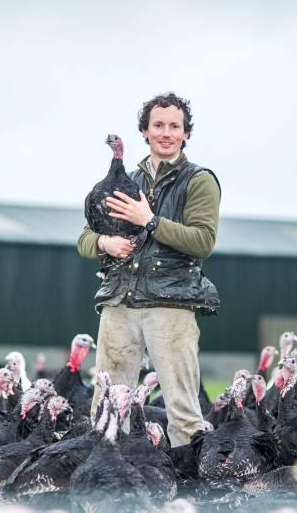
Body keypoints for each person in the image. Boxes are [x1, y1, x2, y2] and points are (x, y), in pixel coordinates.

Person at [77, 92, 221, 446]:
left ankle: (189, 490)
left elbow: (203, 241)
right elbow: (84, 236)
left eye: (175, 126)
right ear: (144, 131)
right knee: (107, 406)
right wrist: (104, 244)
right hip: (119, 302)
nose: (166, 132)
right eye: (159, 125)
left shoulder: (199, 180)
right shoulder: (124, 181)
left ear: (186, 133)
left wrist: (150, 221)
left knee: (184, 411)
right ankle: (109, 479)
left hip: (170, 305)